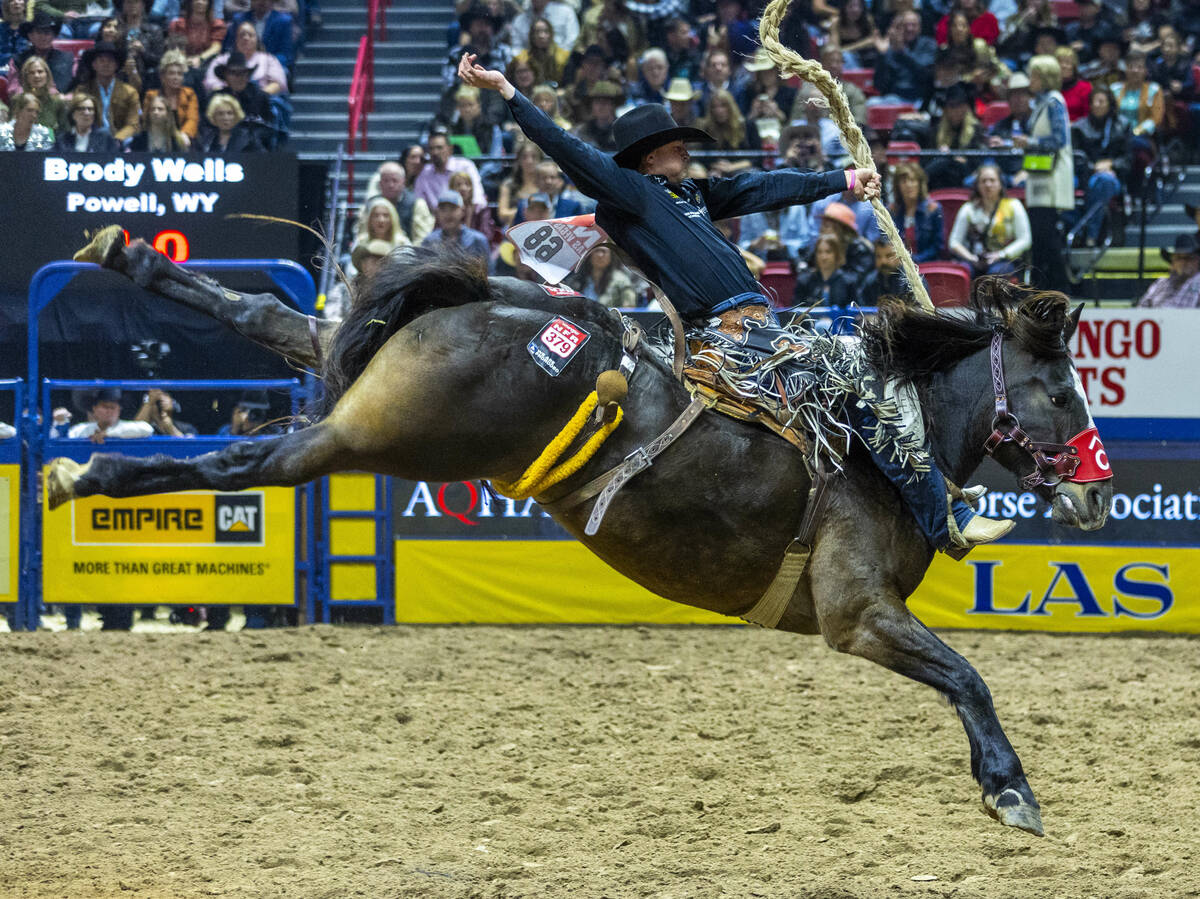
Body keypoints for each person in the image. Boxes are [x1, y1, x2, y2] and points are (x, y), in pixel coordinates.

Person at [458, 49, 1015, 551]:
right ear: (647, 160)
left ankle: (933, 501)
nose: (683, 147)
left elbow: (764, 186)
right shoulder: (630, 195)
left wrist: (842, 179)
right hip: (729, 337)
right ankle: (943, 523)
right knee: (862, 391)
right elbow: (568, 149)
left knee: (870, 383)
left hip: (761, 328)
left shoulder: (692, 194)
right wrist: (510, 93)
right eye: (672, 144)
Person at [1018, 54, 1073, 292]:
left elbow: (1059, 140)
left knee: (1047, 238)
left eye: (1035, 75)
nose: (1031, 79)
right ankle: (1042, 290)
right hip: (1039, 174)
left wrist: (1029, 141)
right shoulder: (1042, 102)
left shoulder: (1053, 102)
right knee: (1040, 239)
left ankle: (1062, 289)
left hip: (1051, 177)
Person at [948, 162, 1031, 275]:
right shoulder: (968, 208)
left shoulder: (1013, 205)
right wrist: (971, 258)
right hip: (974, 259)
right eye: (983, 181)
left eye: (992, 180)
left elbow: (1025, 240)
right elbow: (954, 242)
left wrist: (1001, 255)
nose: (988, 184)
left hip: (1003, 259)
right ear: (977, 185)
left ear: (1001, 184)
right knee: (962, 271)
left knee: (995, 274)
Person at [1069, 86, 1127, 246]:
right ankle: (1074, 230)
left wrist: (1112, 164)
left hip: (1113, 177)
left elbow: (1128, 159)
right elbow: (1075, 157)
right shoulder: (1079, 127)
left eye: (1102, 101)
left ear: (1109, 104)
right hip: (1083, 174)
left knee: (1104, 181)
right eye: (1094, 101)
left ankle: (1091, 235)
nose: (1098, 104)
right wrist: (1094, 167)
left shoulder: (1122, 125)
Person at [75, 41, 142, 142]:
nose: (106, 64)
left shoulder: (129, 92)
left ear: (116, 65)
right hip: (91, 140)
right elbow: (77, 120)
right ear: (94, 65)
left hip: (120, 140)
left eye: (110, 61)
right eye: (101, 60)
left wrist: (117, 140)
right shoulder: (83, 91)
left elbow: (133, 125)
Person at [413, 129, 487, 217]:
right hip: (436, 222)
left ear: (450, 149)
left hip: (468, 218)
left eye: (439, 148)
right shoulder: (424, 173)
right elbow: (419, 203)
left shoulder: (465, 166)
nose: (435, 152)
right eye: (431, 148)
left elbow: (478, 198)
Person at [872, 11, 938, 106]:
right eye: (905, 25)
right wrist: (882, 55)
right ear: (899, 28)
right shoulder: (890, 49)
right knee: (872, 103)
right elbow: (878, 85)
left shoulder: (928, 45)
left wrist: (903, 51)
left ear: (920, 28)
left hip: (920, 99)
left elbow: (925, 75)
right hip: (893, 98)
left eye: (913, 25)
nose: (909, 28)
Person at [925, 83, 983, 189]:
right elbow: (930, 160)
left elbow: (976, 161)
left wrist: (949, 156)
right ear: (946, 109)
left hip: (965, 177)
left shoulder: (977, 129)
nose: (956, 111)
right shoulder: (937, 130)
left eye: (959, 105)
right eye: (951, 106)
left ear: (966, 107)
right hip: (940, 177)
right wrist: (950, 157)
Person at [364, 160, 434, 244]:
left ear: (403, 182)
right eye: (386, 181)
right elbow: (362, 235)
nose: (390, 185)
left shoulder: (417, 204)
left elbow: (422, 239)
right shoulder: (370, 204)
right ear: (380, 184)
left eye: (395, 180)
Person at [889, 162, 945, 262]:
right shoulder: (892, 210)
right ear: (898, 186)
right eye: (904, 181)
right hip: (898, 265)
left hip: (926, 264)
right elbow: (887, 242)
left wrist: (915, 260)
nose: (908, 185)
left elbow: (937, 247)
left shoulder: (933, 209)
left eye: (912, 180)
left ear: (920, 184)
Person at [142, 49, 200, 142]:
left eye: (179, 74)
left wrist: (184, 135)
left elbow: (192, 119)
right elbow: (146, 122)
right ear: (162, 77)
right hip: (157, 138)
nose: (176, 77)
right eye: (171, 73)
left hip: (185, 139)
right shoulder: (151, 96)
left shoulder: (189, 94)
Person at [422, 189, 491, 264]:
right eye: (443, 209)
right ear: (437, 213)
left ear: (462, 211)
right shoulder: (429, 241)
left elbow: (490, 273)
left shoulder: (478, 240)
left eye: (452, 208)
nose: (447, 214)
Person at [223, 0, 295, 73]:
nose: (262, 2)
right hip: (242, 64)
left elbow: (285, 55)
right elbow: (230, 47)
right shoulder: (239, 19)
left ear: (272, 1)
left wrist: (265, 63)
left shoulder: (284, 21)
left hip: (271, 66)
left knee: (283, 71)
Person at [15, 11, 73, 93]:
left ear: (53, 35)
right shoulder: (17, 60)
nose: (43, 37)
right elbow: (13, 89)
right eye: (39, 33)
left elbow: (74, 87)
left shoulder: (68, 59)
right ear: (30, 36)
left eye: (47, 33)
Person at [793, 234, 858, 308]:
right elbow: (796, 312)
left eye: (828, 252)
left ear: (837, 254)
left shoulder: (849, 282)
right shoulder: (804, 281)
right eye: (819, 252)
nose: (823, 257)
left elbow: (856, 312)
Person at [1137, 235, 1200, 308]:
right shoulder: (1161, 283)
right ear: (1172, 262)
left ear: (1197, 261)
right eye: (1179, 258)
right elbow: (1141, 308)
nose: (1183, 262)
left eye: (1189, 258)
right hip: (1158, 318)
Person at [566, 244, 638, 306]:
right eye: (597, 251)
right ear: (590, 255)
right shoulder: (578, 280)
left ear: (610, 256)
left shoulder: (622, 281)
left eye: (604, 252)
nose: (600, 255)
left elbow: (629, 307)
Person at [10, 55, 65, 135]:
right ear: (26, 77)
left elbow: (63, 130)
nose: (36, 76)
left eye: (40, 71)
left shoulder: (57, 101)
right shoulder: (17, 100)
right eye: (31, 73)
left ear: (47, 74)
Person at [168, 0, 225, 73]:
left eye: (204, 0)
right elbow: (177, 47)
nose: (200, 2)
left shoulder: (216, 25)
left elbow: (216, 47)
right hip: (183, 64)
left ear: (209, 3)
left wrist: (200, 58)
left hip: (207, 64)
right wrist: (186, 61)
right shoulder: (178, 24)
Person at [194, 93, 262, 154]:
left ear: (236, 115)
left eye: (230, 113)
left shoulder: (249, 139)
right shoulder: (207, 140)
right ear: (214, 117)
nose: (225, 118)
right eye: (220, 114)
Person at [496, 138, 543, 226]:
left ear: (540, 160)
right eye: (524, 157)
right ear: (519, 160)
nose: (529, 161)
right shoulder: (508, 185)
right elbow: (502, 214)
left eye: (534, 157)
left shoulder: (546, 184)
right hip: (515, 227)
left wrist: (515, 212)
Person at [512, 16, 569, 85]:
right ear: (531, 36)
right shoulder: (522, 58)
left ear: (551, 35)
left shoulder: (563, 57)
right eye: (537, 32)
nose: (541, 36)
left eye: (546, 31)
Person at [53, 93, 120, 151]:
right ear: (73, 114)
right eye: (81, 109)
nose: (86, 113)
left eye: (90, 109)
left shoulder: (105, 138)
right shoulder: (62, 139)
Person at [508, 0, 578, 56]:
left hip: (561, 63)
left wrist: (559, 58)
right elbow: (516, 48)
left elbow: (572, 41)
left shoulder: (566, 12)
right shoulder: (519, 20)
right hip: (530, 65)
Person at [572, 79, 621, 150]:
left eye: (606, 102)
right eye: (597, 102)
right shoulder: (581, 131)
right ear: (591, 106)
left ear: (613, 106)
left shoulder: (622, 130)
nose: (601, 106)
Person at [859, 238, 909, 305]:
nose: (883, 261)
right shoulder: (869, 281)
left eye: (889, 256)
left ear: (900, 256)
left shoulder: (912, 283)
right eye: (878, 256)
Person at [0, 0, 31, 73]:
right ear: (6, 5)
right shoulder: (1, 28)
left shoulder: (32, 28)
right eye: (11, 0)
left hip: (25, 71)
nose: (16, 2)